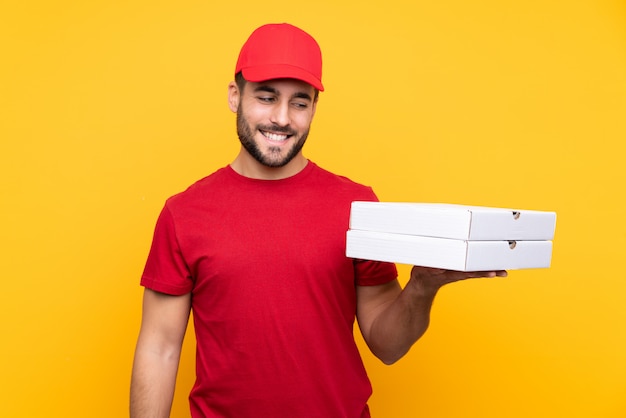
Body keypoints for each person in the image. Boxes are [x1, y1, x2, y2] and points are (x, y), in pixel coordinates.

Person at [129, 23, 506, 418]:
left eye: (300, 102)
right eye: (266, 97)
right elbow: (160, 348)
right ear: (234, 96)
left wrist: (421, 287)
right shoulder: (184, 213)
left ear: (314, 108)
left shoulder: (357, 206)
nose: (281, 118)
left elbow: (388, 347)